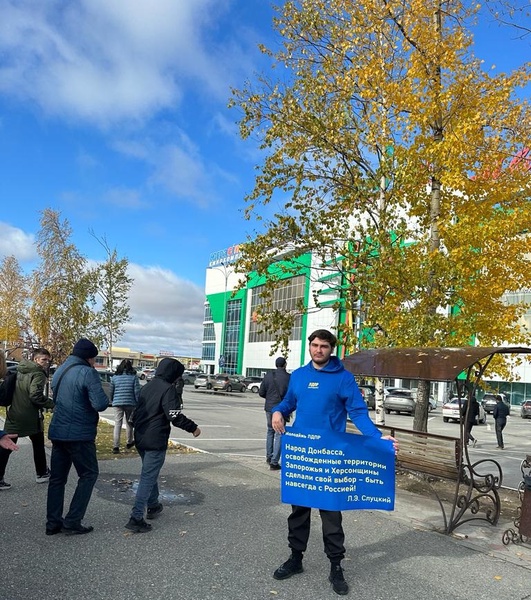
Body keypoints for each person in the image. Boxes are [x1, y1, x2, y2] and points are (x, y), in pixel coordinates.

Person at [271, 329, 397, 596]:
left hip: (330, 456)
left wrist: (377, 438)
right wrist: (277, 412)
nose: (318, 350)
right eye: (315, 345)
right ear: (310, 347)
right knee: (299, 512)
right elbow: (288, 402)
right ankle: (296, 558)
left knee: (331, 514)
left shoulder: (344, 379)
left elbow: (358, 413)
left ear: (332, 349)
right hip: (303, 457)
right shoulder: (299, 376)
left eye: (324, 346)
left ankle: (336, 566)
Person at [125, 358, 201, 533]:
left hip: (141, 437)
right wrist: (193, 428)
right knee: (148, 476)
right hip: (155, 438)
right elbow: (174, 415)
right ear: (173, 373)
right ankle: (136, 517)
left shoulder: (147, 386)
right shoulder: (168, 390)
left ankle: (153, 504)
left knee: (150, 472)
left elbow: (136, 412)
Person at [45, 338, 109, 536]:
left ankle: (53, 523)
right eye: (94, 358)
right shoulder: (87, 373)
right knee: (89, 474)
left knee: (57, 479)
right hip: (80, 434)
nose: (94, 362)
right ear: (89, 357)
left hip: (58, 431)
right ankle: (73, 520)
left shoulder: (60, 371)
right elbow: (99, 404)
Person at [0, 348, 55, 490]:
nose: (47, 363)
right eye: (44, 360)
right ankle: (41, 473)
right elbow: (35, 395)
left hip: (13, 413)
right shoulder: (38, 373)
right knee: (38, 444)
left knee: (6, 446)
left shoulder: (19, 370)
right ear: (36, 360)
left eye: (48, 360)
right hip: (30, 416)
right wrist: (51, 404)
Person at [259, 356, 290, 471]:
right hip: (282, 409)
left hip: (269, 408)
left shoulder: (268, 376)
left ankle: (269, 457)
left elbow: (261, 392)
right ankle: (274, 462)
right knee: (279, 433)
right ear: (285, 365)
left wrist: (269, 398)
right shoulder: (289, 378)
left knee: (270, 431)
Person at [110, 359, 140, 454]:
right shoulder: (134, 377)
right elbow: (137, 392)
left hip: (117, 402)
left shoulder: (115, 377)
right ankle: (129, 442)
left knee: (117, 424)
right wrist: (138, 402)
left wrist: (112, 400)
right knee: (129, 423)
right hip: (130, 403)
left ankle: (116, 446)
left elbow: (111, 391)